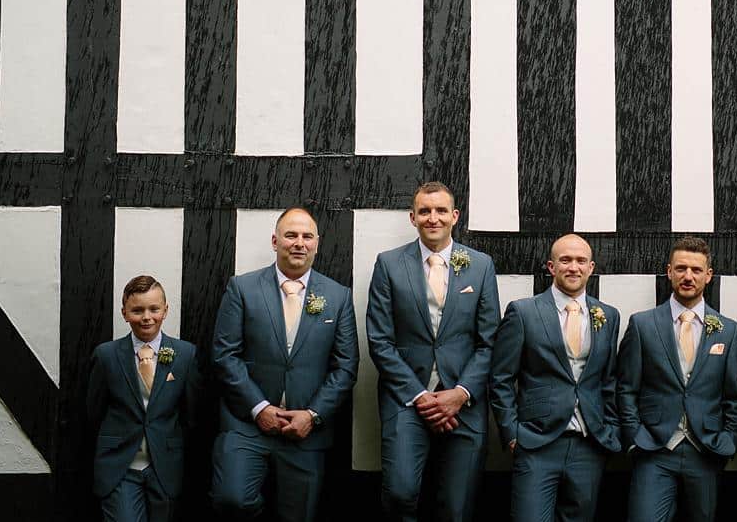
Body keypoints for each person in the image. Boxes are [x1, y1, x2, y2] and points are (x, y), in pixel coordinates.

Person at [210, 207, 359, 521]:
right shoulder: (242, 288)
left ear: (317, 243)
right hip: (246, 427)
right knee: (232, 501)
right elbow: (225, 355)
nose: (299, 243)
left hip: (305, 432)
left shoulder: (338, 296)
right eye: (291, 235)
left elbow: (345, 367)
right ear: (275, 241)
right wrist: (259, 408)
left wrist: (313, 415)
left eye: (307, 236)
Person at [366, 181, 500, 522]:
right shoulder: (388, 264)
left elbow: (489, 341)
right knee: (399, 494)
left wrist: (461, 392)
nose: (433, 218)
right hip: (407, 399)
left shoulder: (481, 266)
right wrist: (420, 396)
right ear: (413, 218)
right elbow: (380, 341)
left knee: (457, 508)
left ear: (454, 216)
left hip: (464, 403)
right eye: (425, 211)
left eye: (441, 210)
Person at [490, 233, 622, 522]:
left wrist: (609, 430)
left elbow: (608, 380)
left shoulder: (608, 316)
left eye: (580, 261)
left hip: (590, 444)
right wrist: (512, 434)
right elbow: (501, 378)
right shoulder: (523, 312)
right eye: (565, 260)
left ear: (591, 267)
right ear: (551, 267)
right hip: (537, 443)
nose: (573, 267)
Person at [617, 236, 737, 522]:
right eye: (681, 268)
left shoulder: (727, 329)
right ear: (669, 271)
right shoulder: (642, 324)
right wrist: (635, 438)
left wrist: (727, 441)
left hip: (706, 450)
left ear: (708, 275)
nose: (688, 276)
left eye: (696, 270)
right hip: (654, 449)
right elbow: (625, 388)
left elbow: (735, 397)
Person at [87, 274, 203, 522]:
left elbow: (190, 414)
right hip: (120, 467)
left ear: (165, 310)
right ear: (125, 313)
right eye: (137, 310)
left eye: (154, 309)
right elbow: (94, 412)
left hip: (165, 465)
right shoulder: (106, 356)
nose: (147, 317)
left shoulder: (185, 354)